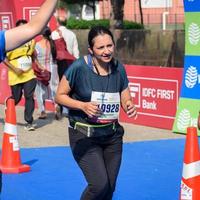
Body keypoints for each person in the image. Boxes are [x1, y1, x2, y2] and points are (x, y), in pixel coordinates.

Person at [56, 26, 137, 200]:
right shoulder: (78, 68)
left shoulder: (118, 68)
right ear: (91, 50)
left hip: (112, 136)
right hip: (84, 135)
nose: (106, 51)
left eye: (110, 46)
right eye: (100, 48)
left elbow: (125, 95)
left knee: (109, 189)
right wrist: (82, 106)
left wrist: (128, 104)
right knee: (99, 185)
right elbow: (59, 96)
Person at [4, 19, 37, 131]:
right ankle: (9, 103)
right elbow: (3, 58)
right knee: (16, 98)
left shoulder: (31, 40)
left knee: (29, 96)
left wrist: (40, 66)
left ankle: (29, 122)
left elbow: (33, 54)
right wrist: (14, 69)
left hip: (29, 73)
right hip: (15, 73)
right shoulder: (10, 40)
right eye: (21, 27)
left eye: (25, 27)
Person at [34, 26, 59, 119]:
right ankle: (56, 107)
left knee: (40, 91)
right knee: (54, 90)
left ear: (42, 34)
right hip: (53, 69)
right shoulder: (52, 44)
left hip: (42, 70)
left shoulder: (37, 45)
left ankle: (42, 111)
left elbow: (34, 58)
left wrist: (39, 66)